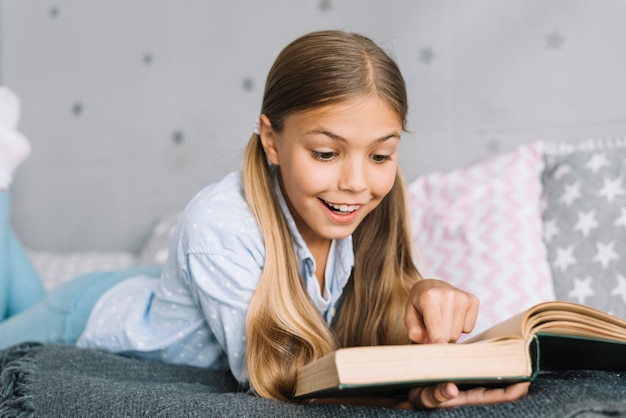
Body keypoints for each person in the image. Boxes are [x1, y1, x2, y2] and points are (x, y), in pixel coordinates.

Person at [0, 30, 529, 409]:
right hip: (91, 313)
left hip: (155, 290)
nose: (356, 183)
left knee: (19, 288)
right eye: (326, 153)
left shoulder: (371, 204)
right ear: (272, 139)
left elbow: (371, 323)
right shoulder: (219, 224)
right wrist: (405, 398)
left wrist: (425, 298)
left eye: (380, 155)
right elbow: (278, 379)